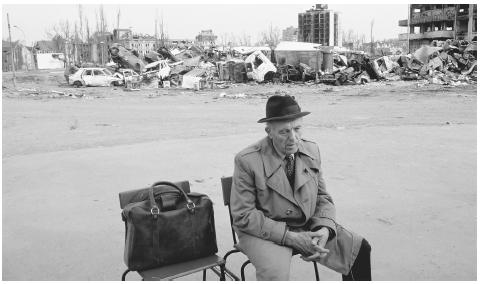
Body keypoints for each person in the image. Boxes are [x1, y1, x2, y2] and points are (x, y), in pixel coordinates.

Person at [230, 95, 372, 281]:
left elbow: (322, 197)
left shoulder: (311, 150)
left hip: (305, 225)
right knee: (276, 275)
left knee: (358, 250)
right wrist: (290, 237)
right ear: (269, 132)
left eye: (297, 129)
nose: (293, 138)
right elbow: (243, 215)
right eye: (284, 132)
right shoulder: (247, 160)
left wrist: (324, 228)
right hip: (263, 232)